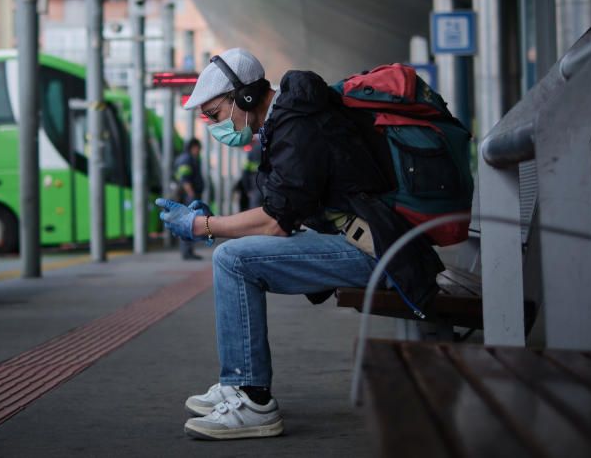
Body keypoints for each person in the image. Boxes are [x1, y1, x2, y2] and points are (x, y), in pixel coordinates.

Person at [156, 48, 443, 441]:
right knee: (232, 255)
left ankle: (251, 397)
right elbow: (284, 211)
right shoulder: (293, 122)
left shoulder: (299, 126)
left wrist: (203, 225)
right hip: (373, 244)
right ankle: (236, 381)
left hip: (380, 253)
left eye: (214, 114)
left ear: (245, 98)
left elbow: (275, 223)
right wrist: (214, 223)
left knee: (232, 261)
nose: (212, 125)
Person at [173, 138, 205, 260]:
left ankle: (189, 251)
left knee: (189, 224)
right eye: (198, 148)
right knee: (188, 224)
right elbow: (184, 179)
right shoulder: (186, 159)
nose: (199, 151)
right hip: (188, 197)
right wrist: (191, 194)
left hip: (189, 196)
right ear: (193, 147)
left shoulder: (189, 158)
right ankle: (187, 252)